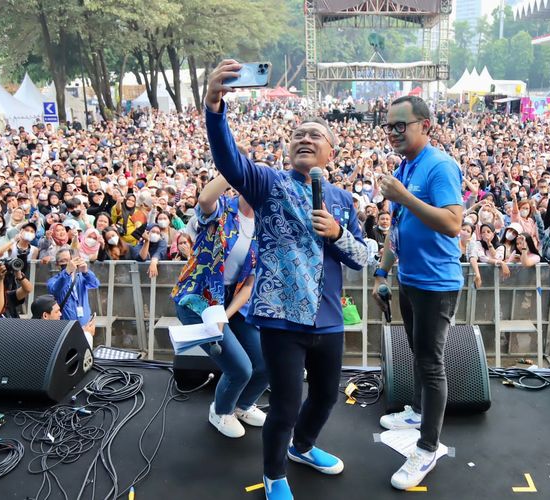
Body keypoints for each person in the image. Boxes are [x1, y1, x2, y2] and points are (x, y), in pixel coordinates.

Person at [204, 59, 367, 500]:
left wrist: (336, 234)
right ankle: (275, 474)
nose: (305, 139)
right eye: (298, 135)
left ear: (331, 152)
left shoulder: (343, 200)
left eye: (315, 135)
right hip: (280, 320)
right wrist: (214, 107)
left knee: (327, 398)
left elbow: (364, 257)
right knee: (286, 404)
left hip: (329, 319)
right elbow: (229, 160)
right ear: (287, 149)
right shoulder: (269, 184)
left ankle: (304, 447)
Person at [371, 95, 464, 490]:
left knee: (431, 363)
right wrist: (382, 272)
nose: (392, 133)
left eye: (400, 125)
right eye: (388, 125)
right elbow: (398, 225)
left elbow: (453, 223)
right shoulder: (405, 165)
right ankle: (418, 412)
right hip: (409, 278)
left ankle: (427, 448)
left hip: (435, 284)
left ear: (425, 125)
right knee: (417, 352)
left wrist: (404, 196)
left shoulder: (440, 166)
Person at [172, 173, 268, 438]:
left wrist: (225, 316)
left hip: (230, 302)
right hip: (198, 299)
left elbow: (249, 284)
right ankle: (220, 411)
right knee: (240, 368)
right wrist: (231, 168)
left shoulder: (262, 227)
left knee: (267, 363)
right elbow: (204, 198)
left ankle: (242, 405)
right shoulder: (224, 209)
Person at [47, 248, 101, 326]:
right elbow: (55, 290)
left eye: (70, 260)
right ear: (57, 264)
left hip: (85, 326)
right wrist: (67, 272)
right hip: (65, 327)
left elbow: (95, 284)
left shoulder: (81, 277)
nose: (69, 263)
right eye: (64, 260)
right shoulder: (53, 281)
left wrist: (86, 272)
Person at [30, 294, 95, 348]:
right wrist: (88, 335)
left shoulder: (31, 330)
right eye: (56, 311)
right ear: (45, 316)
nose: (60, 314)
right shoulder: (46, 337)